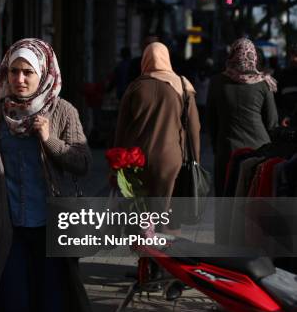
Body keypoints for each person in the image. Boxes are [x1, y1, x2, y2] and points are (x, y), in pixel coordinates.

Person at [0, 38, 106, 312]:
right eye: (13, 72)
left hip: (52, 229)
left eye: (27, 73)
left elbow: (83, 162)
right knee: (15, 306)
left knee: (53, 309)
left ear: (44, 74)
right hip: (13, 230)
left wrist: (49, 139)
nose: (19, 80)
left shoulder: (63, 111)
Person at [114, 42, 201, 230]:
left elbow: (121, 129)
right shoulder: (183, 86)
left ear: (145, 59)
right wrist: (196, 160)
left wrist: (115, 164)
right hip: (170, 158)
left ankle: (143, 253)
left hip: (136, 159)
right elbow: (194, 128)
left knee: (139, 211)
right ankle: (162, 252)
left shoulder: (134, 88)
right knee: (164, 210)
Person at [207, 38, 278, 196]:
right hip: (259, 151)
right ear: (253, 56)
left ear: (232, 54)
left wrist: (216, 145)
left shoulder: (217, 82)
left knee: (226, 198)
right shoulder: (264, 84)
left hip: (227, 150)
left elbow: (211, 120)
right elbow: (272, 122)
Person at [275, 44, 297, 126]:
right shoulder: (283, 76)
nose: (294, 59)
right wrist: (282, 117)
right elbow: (276, 102)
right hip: (288, 126)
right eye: (292, 55)